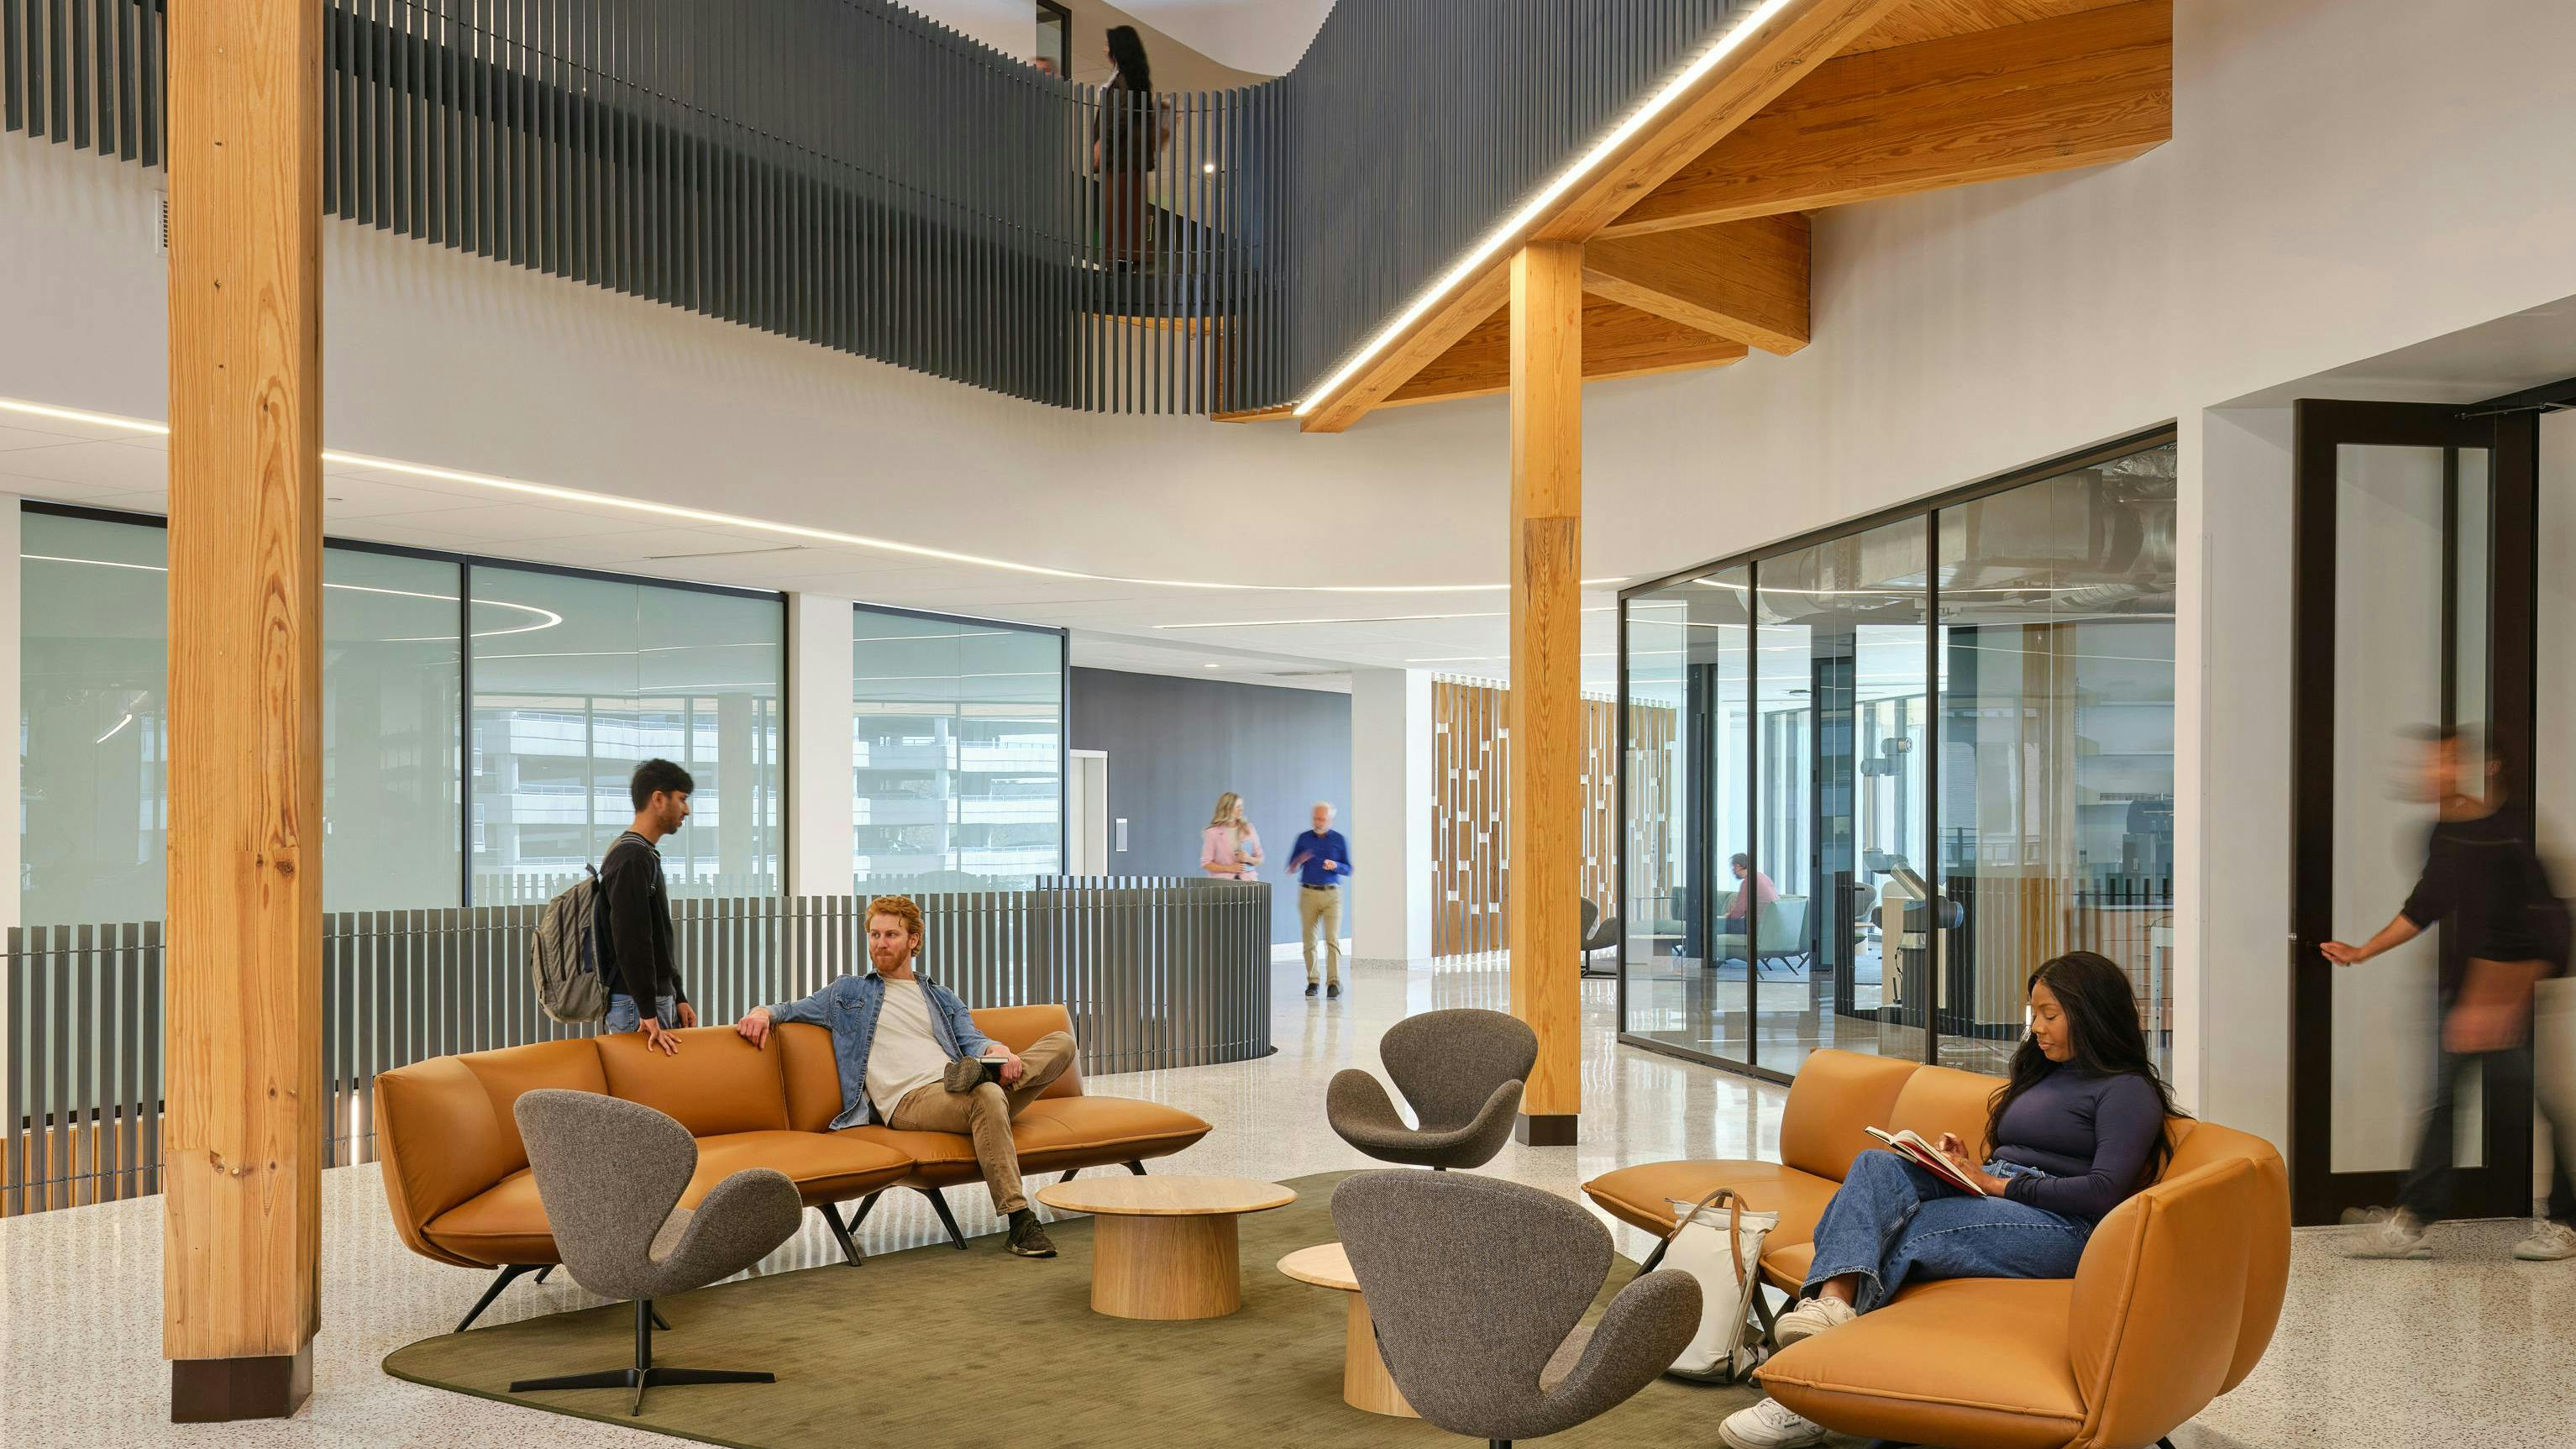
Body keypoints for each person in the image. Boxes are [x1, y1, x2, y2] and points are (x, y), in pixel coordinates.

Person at [1718, 951, 2181, 1449]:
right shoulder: (2045, 1071)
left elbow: (2103, 1191)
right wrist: (1964, 1164)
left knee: (1906, 1232)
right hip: (2000, 1191)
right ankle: (1830, 1311)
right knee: (1875, 1166)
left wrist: (2001, 1184)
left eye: (2050, 1015)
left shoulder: (2128, 1091)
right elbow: (2015, 1153)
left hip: (2064, 1225)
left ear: (2091, 1014)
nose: (2037, 1027)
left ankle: (1809, 1393)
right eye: (2034, 1013)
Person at [2322, 726, 2576, 1263]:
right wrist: (2363, 950)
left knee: (2543, 1107)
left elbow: (2548, 930)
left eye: (2440, 762)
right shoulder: (2444, 833)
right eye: (2424, 764)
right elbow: (2425, 905)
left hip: (2505, 1002)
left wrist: (2498, 1005)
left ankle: (2565, 1223)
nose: (2426, 773)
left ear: (2475, 768)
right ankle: (2412, 1221)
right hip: (2459, 999)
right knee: (2440, 1105)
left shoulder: (2510, 834)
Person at [735, 895, 1078, 1259]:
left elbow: (971, 1038)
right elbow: (789, 1010)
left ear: (913, 940)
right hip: (909, 1101)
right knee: (988, 1096)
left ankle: (981, 1076)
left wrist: (998, 1052)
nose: (880, 944)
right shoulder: (848, 992)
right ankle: (1020, 1221)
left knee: (1061, 1043)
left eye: (891, 935)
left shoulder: (941, 996)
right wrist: (761, 1012)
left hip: (959, 1090)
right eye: (874, 935)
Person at [598, 759, 696, 1055]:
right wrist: (647, 1010)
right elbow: (631, 940)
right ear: (658, 798)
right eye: (681, 799)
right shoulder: (631, 858)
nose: (687, 810)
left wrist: (678, 995)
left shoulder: (643, 854)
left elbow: (657, 938)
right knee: (640, 1098)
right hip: (636, 1006)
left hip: (647, 1002)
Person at [1089, 24, 1167, 269]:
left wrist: (1103, 143)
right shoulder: (1130, 78)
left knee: (1119, 210)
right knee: (1126, 210)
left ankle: (1121, 260)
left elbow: (1120, 116)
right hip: (1126, 158)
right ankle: (1125, 258)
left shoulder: (1124, 80)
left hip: (1122, 157)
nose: (1104, 49)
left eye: (1108, 44)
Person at [1287, 801, 1353, 999]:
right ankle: (1313, 981)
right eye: (1315, 818)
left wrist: (1336, 866)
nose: (1318, 822)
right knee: (1309, 940)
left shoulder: (1339, 840)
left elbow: (1349, 869)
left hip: (1332, 895)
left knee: (1332, 940)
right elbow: (1291, 867)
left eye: (1322, 819)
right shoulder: (1303, 838)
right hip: (1308, 893)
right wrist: (1300, 860)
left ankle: (1334, 982)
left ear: (1330, 820)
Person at [1200, 791, 1262, 881]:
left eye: (1241, 806)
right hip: (1223, 885)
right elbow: (1206, 863)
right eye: (1237, 807)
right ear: (1227, 808)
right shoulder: (1212, 833)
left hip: (1249, 883)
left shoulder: (1249, 828)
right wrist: (1230, 868)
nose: (1241, 810)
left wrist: (1248, 858)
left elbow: (1260, 859)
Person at [1723, 852, 1778, 924]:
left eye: (1733, 868)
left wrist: (1728, 916)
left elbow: (1740, 910)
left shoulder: (1748, 881)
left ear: (1737, 866)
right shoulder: (1763, 877)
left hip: (1757, 926)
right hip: (1771, 923)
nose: (1733, 871)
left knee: (1720, 924)